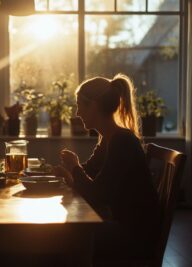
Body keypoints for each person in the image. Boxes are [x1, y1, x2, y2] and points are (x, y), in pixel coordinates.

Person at [54, 73, 159, 261]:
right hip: (123, 225)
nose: (77, 113)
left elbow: (98, 195)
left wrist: (75, 168)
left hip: (134, 235)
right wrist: (69, 171)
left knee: (64, 234)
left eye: (80, 106)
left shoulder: (122, 141)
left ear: (93, 106)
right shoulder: (109, 137)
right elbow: (89, 172)